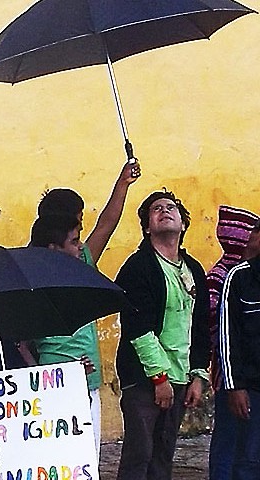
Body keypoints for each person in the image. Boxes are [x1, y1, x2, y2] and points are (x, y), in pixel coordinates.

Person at [31, 161, 140, 457]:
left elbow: (108, 223)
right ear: (54, 244)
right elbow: (20, 339)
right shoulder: (32, 279)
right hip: (53, 386)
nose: (82, 243)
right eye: (76, 235)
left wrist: (123, 183)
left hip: (88, 383)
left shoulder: (82, 264)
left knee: (86, 462)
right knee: (57, 460)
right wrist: (46, 373)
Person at [114, 189, 210, 480]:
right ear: (147, 226)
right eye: (157, 209)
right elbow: (137, 326)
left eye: (171, 207)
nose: (165, 211)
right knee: (138, 456)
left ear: (182, 224)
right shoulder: (138, 267)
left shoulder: (193, 269)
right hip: (145, 378)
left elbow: (200, 324)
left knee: (163, 457)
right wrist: (159, 378)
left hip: (181, 377)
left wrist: (198, 374)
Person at [207, 206, 260, 480]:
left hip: (237, 375)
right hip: (233, 376)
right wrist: (232, 383)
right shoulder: (228, 276)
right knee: (235, 446)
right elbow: (224, 331)